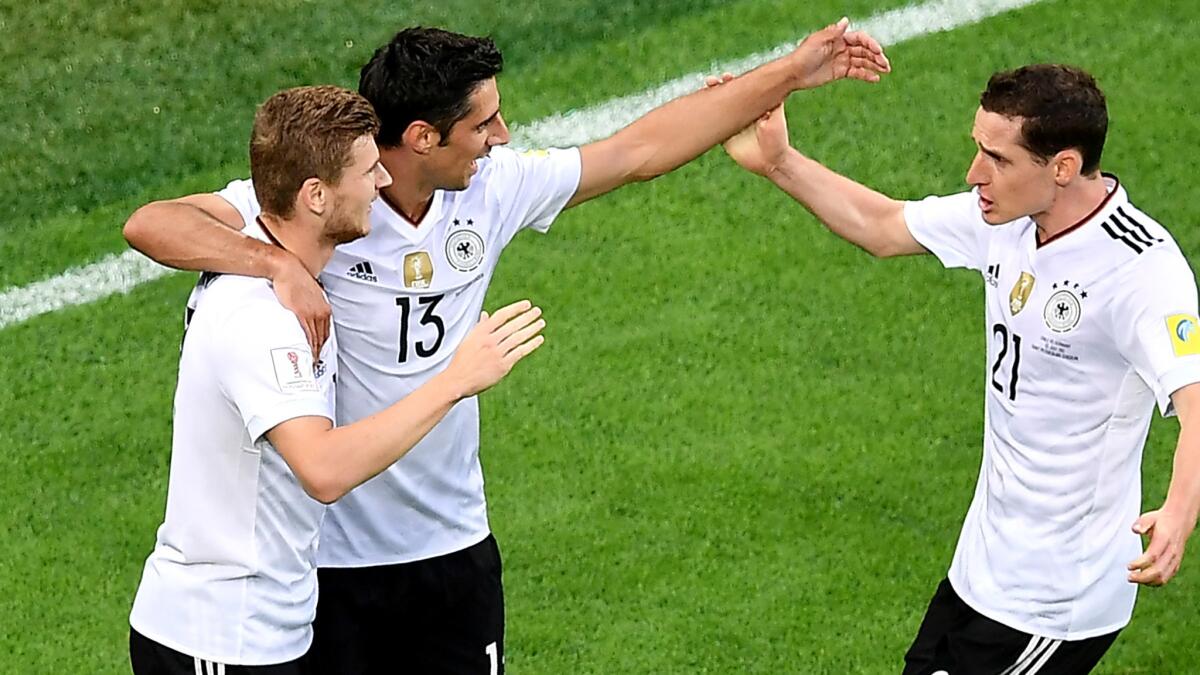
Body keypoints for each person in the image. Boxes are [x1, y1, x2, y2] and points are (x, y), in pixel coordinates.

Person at [122, 21, 890, 674]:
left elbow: (637, 150)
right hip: (328, 565)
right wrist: (277, 264)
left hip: (449, 546)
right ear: (421, 137)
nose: (503, 136)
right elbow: (151, 222)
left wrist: (791, 70)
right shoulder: (327, 196)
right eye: (483, 123)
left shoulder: (488, 189)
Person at [714, 63, 1200, 673]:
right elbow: (884, 227)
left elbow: (1197, 406)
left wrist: (1179, 513)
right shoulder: (1005, 220)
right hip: (980, 572)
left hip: (1052, 599)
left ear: (1063, 167)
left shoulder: (1139, 270)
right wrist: (777, 162)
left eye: (997, 158)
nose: (975, 176)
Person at [127, 85, 545, 674]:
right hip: (220, 637)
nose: (382, 183)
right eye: (369, 170)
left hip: (267, 633)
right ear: (317, 196)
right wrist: (455, 381)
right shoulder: (265, 319)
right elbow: (323, 470)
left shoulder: (294, 289)